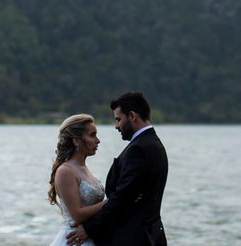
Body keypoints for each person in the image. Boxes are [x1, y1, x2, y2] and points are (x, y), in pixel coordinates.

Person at [67, 91, 168, 246]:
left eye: (118, 119)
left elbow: (123, 198)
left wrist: (89, 229)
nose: (116, 126)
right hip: (149, 234)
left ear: (132, 116)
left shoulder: (139, 149)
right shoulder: (152, 143)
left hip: (134, 238)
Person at [48, 114, 106, 246]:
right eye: (92, 135)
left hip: (91, 235)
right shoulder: (65, 171)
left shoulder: (83, 168)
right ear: (76, 140)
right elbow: (77, 215)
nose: (98, 140)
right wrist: (111, 202)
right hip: (74, 239)